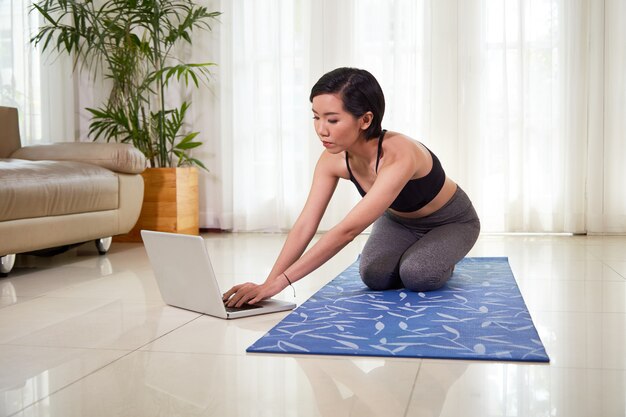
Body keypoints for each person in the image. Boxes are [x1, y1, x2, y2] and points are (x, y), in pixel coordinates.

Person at [223, 67, 480, 308]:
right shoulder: (332, 160)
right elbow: (306, 224)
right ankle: (420, 252)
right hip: (399, 222)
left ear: (366, 119)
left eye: (332, 120)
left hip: (451, 222)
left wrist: (281, 283)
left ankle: (439, 256)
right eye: (316, 117)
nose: (321, 130)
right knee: (375, 276)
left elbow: (348, 230)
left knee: (418, 275)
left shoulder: (400, 154)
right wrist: (269, 283)